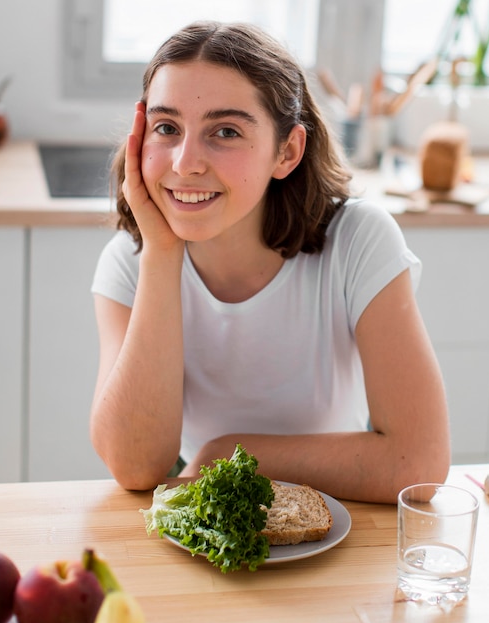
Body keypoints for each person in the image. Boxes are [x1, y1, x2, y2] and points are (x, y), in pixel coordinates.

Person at [90, 21, 450, 503]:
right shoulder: (130, 262)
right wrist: (161, 254)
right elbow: (135, 465)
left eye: (225, 131)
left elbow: (418, 463)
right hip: (213, 516)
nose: (184, 162)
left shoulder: (358, 241)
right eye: (167, 128)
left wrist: (229, 455)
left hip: (341, 513)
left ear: (287, 152)